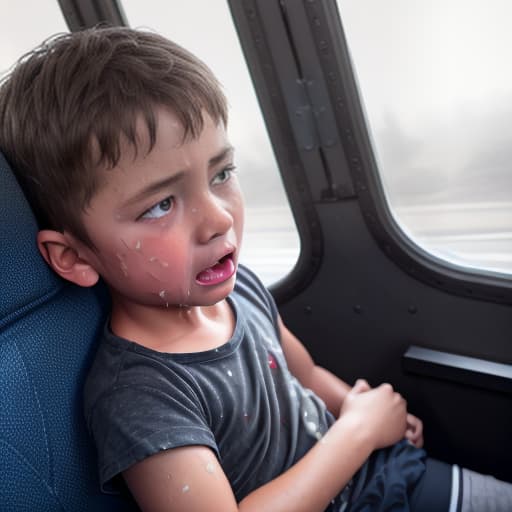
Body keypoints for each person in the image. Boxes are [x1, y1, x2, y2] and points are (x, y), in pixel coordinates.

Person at [0, 26, 510, 512]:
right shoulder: (139, 397)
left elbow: (302, 373)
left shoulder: (239, 290)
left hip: (386, 474)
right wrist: (358, 433)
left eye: (221, 173)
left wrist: (360, 408)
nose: (219, 218)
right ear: (75, 258)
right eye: (160, 205)